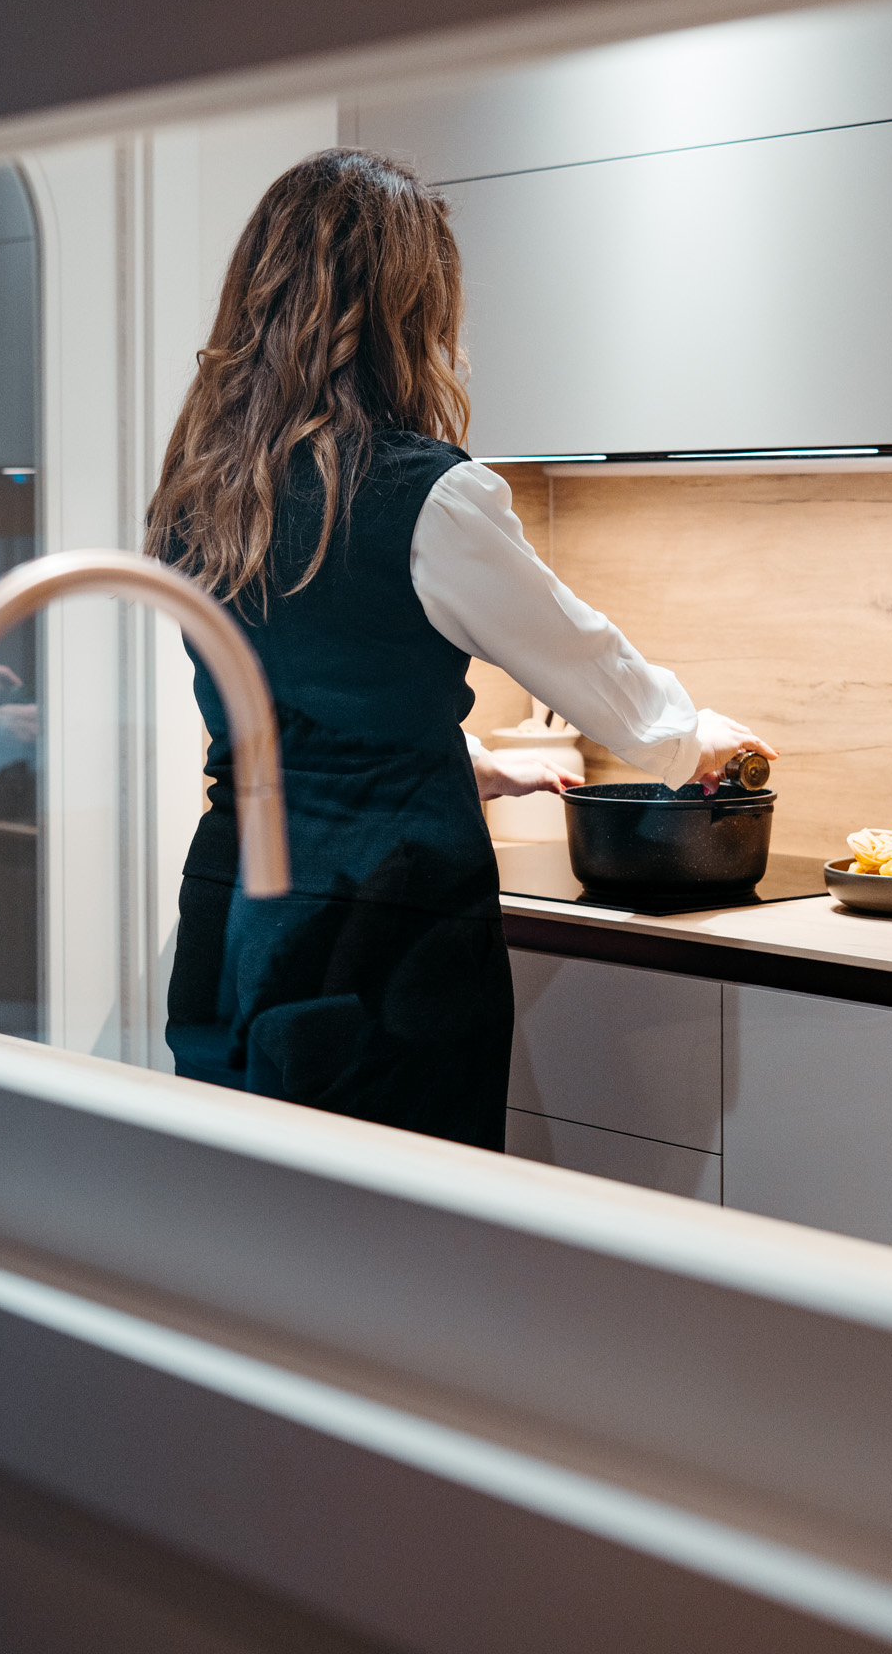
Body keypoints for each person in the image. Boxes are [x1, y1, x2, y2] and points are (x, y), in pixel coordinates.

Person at [145, 149, 774, 1150]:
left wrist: (471, 763)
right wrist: (689, 737)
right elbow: (584, 658)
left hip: (233, 906)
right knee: (402, 1218)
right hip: (380, 925)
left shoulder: (205, 486)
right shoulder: (428, 493)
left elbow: (302, 704)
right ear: (410, 307)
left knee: (249, 1206)